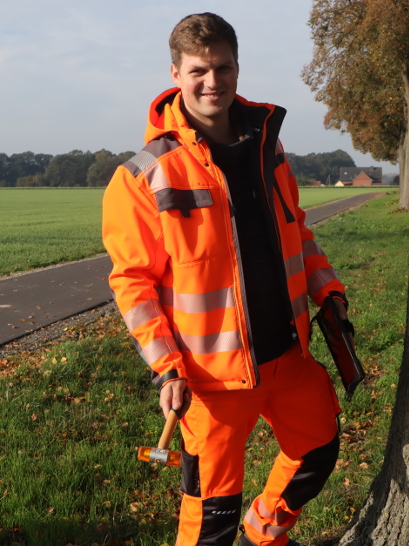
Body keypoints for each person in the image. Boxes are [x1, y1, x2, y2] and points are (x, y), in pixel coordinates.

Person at [102, 12, 352, 546]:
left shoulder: (270, 147)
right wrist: (166, 368)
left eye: (223, 67)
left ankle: (263, 532)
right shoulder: (142, 175)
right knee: (210, 518)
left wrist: (327, 289)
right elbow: (133, 284)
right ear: (175, 73)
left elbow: (298, 233)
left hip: (288, 355)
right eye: (199, 70)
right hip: (210, 379)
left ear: (238, 69)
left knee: (320, 446)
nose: (212, 81)